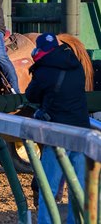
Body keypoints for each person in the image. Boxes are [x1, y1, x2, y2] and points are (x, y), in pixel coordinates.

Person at [26, 33, 90, 224]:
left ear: (40, 50)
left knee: (49, 188)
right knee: (78, 187)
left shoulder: (43, 71)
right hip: (81, 133)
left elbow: (31, 95)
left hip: (57, 136)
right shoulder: (76, 65)